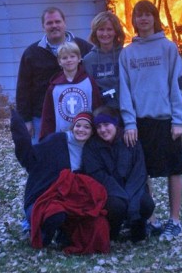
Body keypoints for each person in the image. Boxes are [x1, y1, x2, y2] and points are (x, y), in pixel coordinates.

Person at [119, 0, 182, 241]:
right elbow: (124, 90)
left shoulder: (168, 48)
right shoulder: (127, 53)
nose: (144, 19)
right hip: (140, 122)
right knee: (142, 173)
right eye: (139, 15)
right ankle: (150, 219)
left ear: (155, 18)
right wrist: (129, 123)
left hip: (166, 119)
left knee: (174, 169)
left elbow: (176, 85)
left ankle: (174, 220)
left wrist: (178, 119)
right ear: (134, 20)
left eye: (148, 14)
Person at [10, 108, 110, 254]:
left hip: (73, 199)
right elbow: (30, 158)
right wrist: (21, 136)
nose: (81, 130)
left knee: (97, 224)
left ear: (92, 131)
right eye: (78, 125)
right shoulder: (57, 141)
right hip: (45, 195)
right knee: (55, 214)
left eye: (86, 127)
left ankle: (65, 236)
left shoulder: (92, 150)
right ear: (73, 126)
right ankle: (42, 235)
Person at [16, 6, 92, 144]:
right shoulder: (32, 53)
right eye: (49, 23)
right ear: (43, 26)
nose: (54, 26)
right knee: (43, 158)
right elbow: (23, 89)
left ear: (64, 23)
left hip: (77, 117)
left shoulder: (83, 47)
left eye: (57, 21)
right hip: (41, 118)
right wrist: (26, 120)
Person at [82, 105, 155, 243]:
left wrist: (129, 195)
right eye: (98, 127)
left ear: (115, 123)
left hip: (132, 189)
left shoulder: (130, 141)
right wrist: (121, 195)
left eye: (106, 124)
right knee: (116, 206)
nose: (102, 130)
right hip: (109, 191)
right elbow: (97, 175)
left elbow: (139, 172)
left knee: (145, 203)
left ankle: (137, 227)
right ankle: (113, 230)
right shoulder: (91, 146)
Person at [39, 41, 102, 140]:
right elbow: (48, 115)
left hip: (88, 136)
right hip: (63, 137)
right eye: (64, 58)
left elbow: (97, 107)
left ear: (79, 58)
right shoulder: (54, 87)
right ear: (59, 62)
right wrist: (45, 138)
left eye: (72, 56)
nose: (69, 60)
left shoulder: (89, 82)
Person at [83, 11, 125, 109]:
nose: (105, 34)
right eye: (101, 29)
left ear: (116, 32)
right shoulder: (88, 60)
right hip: (100, 112)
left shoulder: (125, 55)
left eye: (109, 29)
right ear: (95, 32)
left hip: (124, 110)